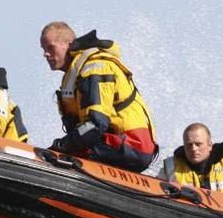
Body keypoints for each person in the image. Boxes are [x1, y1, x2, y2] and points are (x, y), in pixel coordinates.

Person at [39, 21, 157, 172]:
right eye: (43, 49)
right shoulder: (77, 72)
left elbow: (96, 124)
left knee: (62, 154)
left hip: (133, 145)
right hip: (113, 143)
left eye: (50, 47)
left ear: (68, 44)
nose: (45, 54)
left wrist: (62, 146)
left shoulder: (94, 68)